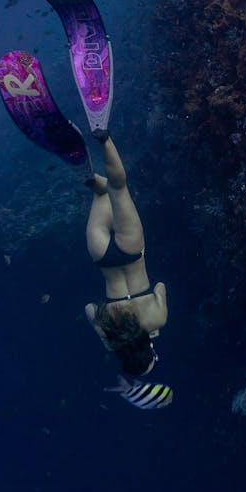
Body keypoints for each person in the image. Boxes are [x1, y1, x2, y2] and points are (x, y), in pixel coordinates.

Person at [84, 131, 167, 376]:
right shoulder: (110, 334)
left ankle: (103, 138)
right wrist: (106, 339)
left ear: (149, 349)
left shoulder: (158, 320)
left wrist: (150, 326)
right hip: (103, 259)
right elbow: (89, 308)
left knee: (118, 189)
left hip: (132, 253)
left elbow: (161, 287)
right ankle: (86, 175)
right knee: (101, 193)